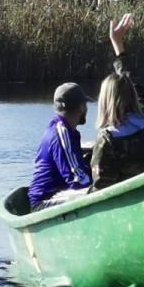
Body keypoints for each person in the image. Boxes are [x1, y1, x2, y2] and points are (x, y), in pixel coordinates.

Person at [90, 13, 144, 190]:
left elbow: (101, 190)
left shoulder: (107, 141)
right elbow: (135, 86)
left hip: (124, 204)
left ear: (105, 102)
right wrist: (118, 45)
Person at [27, 81, 94, 211]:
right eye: (85, 104)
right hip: (45, 201)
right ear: (81, 107)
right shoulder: (61, 132)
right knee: (96, 192)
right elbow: (77, 180)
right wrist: (101, 183)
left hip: (58, 194)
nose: (86, 108)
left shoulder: (66, 131)